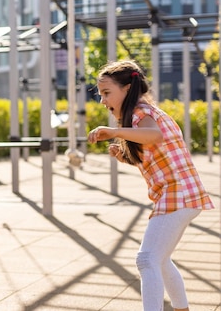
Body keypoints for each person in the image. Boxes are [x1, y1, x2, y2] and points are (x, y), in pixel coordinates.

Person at [88, 60, 215, 311]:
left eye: (106, 93)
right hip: (181, 192)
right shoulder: (142, 114)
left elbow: (154, 135)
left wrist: (114, 132)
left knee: (147, 259)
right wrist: (124, 155)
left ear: (127, 88)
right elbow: (157, 152)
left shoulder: (140, 112)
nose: (102, 101)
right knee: (161, 260)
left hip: (177, 193)